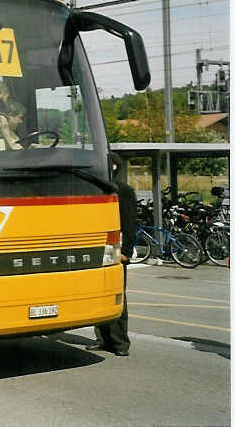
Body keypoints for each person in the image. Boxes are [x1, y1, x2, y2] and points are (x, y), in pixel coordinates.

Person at [89, 152, 137, 356]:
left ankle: (119, 343)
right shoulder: (96, 190)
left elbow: (129, 223)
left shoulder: (123, 191)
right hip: (99, 250)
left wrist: (126, 252)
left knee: (117, 296)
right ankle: (102, 338)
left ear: (114, 168)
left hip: (115, 251)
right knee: (99, 294)